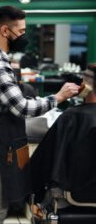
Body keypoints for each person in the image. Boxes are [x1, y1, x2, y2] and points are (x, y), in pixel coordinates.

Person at [0, 5, 80, 224]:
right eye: (21, 31)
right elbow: (22, 108)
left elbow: (13, 102)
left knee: (4, 203)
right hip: (0, 140)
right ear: (5, 31)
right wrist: (59, 97)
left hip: (3, 137)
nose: (24, 36)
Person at [30, 64, 96, 203]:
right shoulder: (74, 117)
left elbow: (42, 164)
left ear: (84, 87)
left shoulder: (72, 117)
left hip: (78, 195)